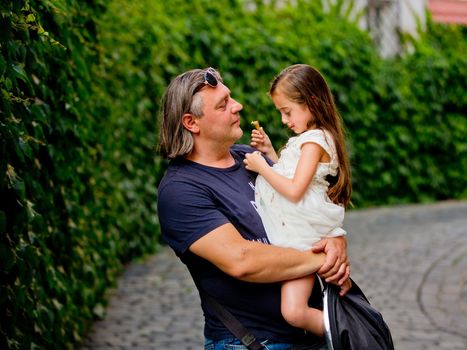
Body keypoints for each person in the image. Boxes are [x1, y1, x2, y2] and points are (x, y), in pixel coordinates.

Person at [157, 67, 350, 350]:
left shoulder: (248, 157)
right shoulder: (181, 190)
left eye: (230, 98)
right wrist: (323, 260)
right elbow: (242, 260)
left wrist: (336, 241)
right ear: (191, 122)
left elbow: (304, 204)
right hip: (253, 342)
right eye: (223, 105)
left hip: (310, 338)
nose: (238, 106)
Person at [244, 64, 352, 337]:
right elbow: (292, 178)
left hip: (300, 236)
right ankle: (342, 331)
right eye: (281, 113)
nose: (284, 120)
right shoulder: (307, 139)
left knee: (294, 311)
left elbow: (293, 191)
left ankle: (350, 333)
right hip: (294, 230)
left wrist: (261, 167)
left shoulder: (315, 141)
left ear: (312, 102)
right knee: (293, 309)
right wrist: (268, 150)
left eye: (287, 111)